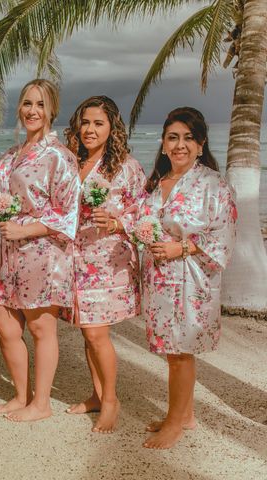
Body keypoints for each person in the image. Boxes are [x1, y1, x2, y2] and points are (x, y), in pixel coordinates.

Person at [140, 107, 236, 449]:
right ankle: (185, 415)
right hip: (159, 280)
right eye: (173, 137)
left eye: (188, 138)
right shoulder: (157, 183)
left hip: (192, 280)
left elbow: (223, 234)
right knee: (172, 351)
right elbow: (142, 225)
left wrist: (181, 249)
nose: (180, 145)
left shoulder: (213, 183)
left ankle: (176, 423)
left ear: (200, 144)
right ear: (164, 144)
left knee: (180, 353)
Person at [0, 79, 80, 422]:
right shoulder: (12, 154)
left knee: (42, 329)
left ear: (51, 111)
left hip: (43, 252)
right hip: (11, 252)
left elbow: (68, 210)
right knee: (5, 325)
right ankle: (21, 394)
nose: (32, 111)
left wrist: (23, 228)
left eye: (40, 105)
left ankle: (41, 404)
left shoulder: (59, 156)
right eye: (27, 103)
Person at [63, 96, 147, 433]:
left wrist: (115, 222)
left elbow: (143, 210)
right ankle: (97, 394)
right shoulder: (71, 163)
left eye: (98, 123)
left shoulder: (127, 167)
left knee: (98, 333)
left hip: (107, 260)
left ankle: (111, 400)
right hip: (74, 257)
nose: (90, 129)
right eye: (85, 122)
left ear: (112, 127)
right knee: (87, 332)